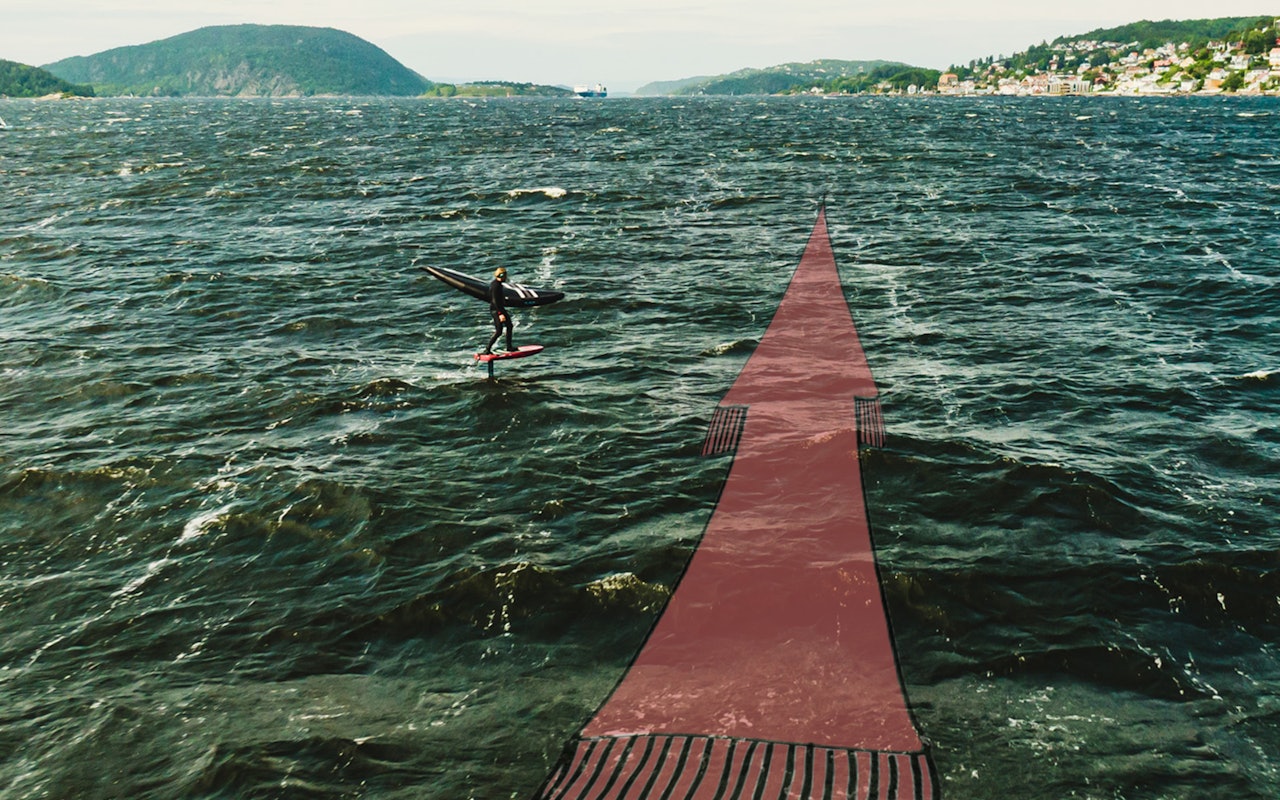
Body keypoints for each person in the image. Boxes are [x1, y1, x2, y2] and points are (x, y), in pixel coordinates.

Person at [485, 267, 517, 354]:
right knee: (499, 331)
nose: (506, 277)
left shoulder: (497, 284)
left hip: (499, 309)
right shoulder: (496, 286)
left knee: (509, 326)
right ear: (501, 275)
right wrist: (500, 314)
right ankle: (487, 349)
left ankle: (509, 347)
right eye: (505, 275)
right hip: (496, 310)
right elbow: (495, 301)